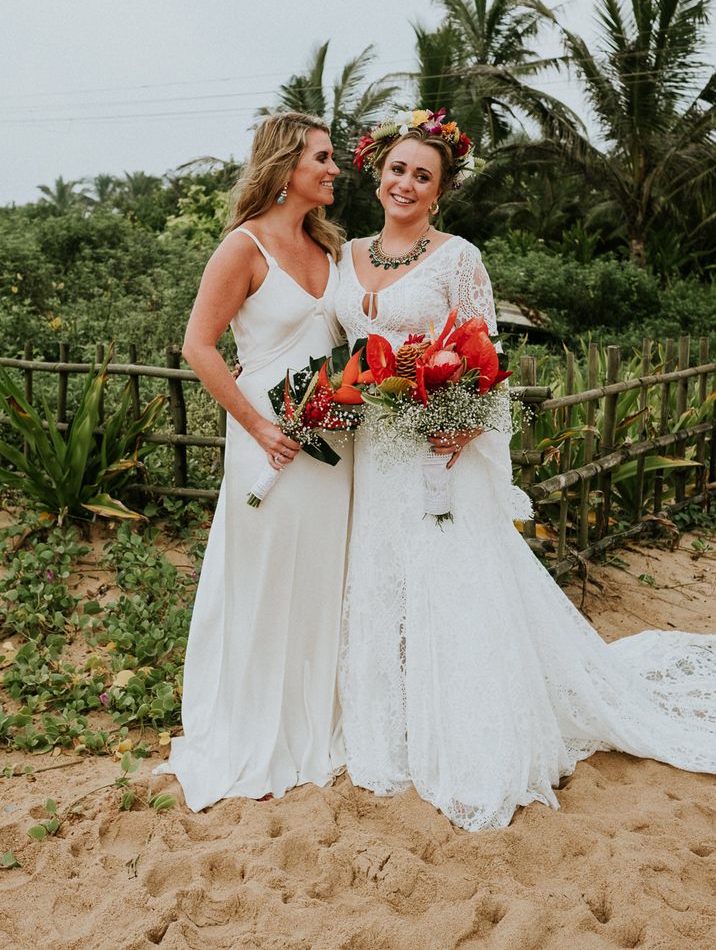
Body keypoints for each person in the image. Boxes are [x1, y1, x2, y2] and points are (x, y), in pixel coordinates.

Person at [334, 108, 716, 832]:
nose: (406, 183)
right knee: (383, 580)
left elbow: (488, 364)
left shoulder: (458, 258)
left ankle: (469, 731)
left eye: (423, 175)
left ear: (439, 191)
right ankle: (396, 723)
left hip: (434, 447)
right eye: (398, 170)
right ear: (377, 172)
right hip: (370, 455)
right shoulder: (344, 254)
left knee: (450, 582)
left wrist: (462, 426)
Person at [155, 112, 352, 811]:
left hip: (332, 442)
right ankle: (256, 729)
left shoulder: (330, 250)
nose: (335, 169)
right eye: (323, 158)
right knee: (267, 577)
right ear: (286, 165)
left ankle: (316, 720)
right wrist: (261, 427)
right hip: (266, 440)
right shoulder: (242, 248)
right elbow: (199, 347)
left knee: (323, 576)